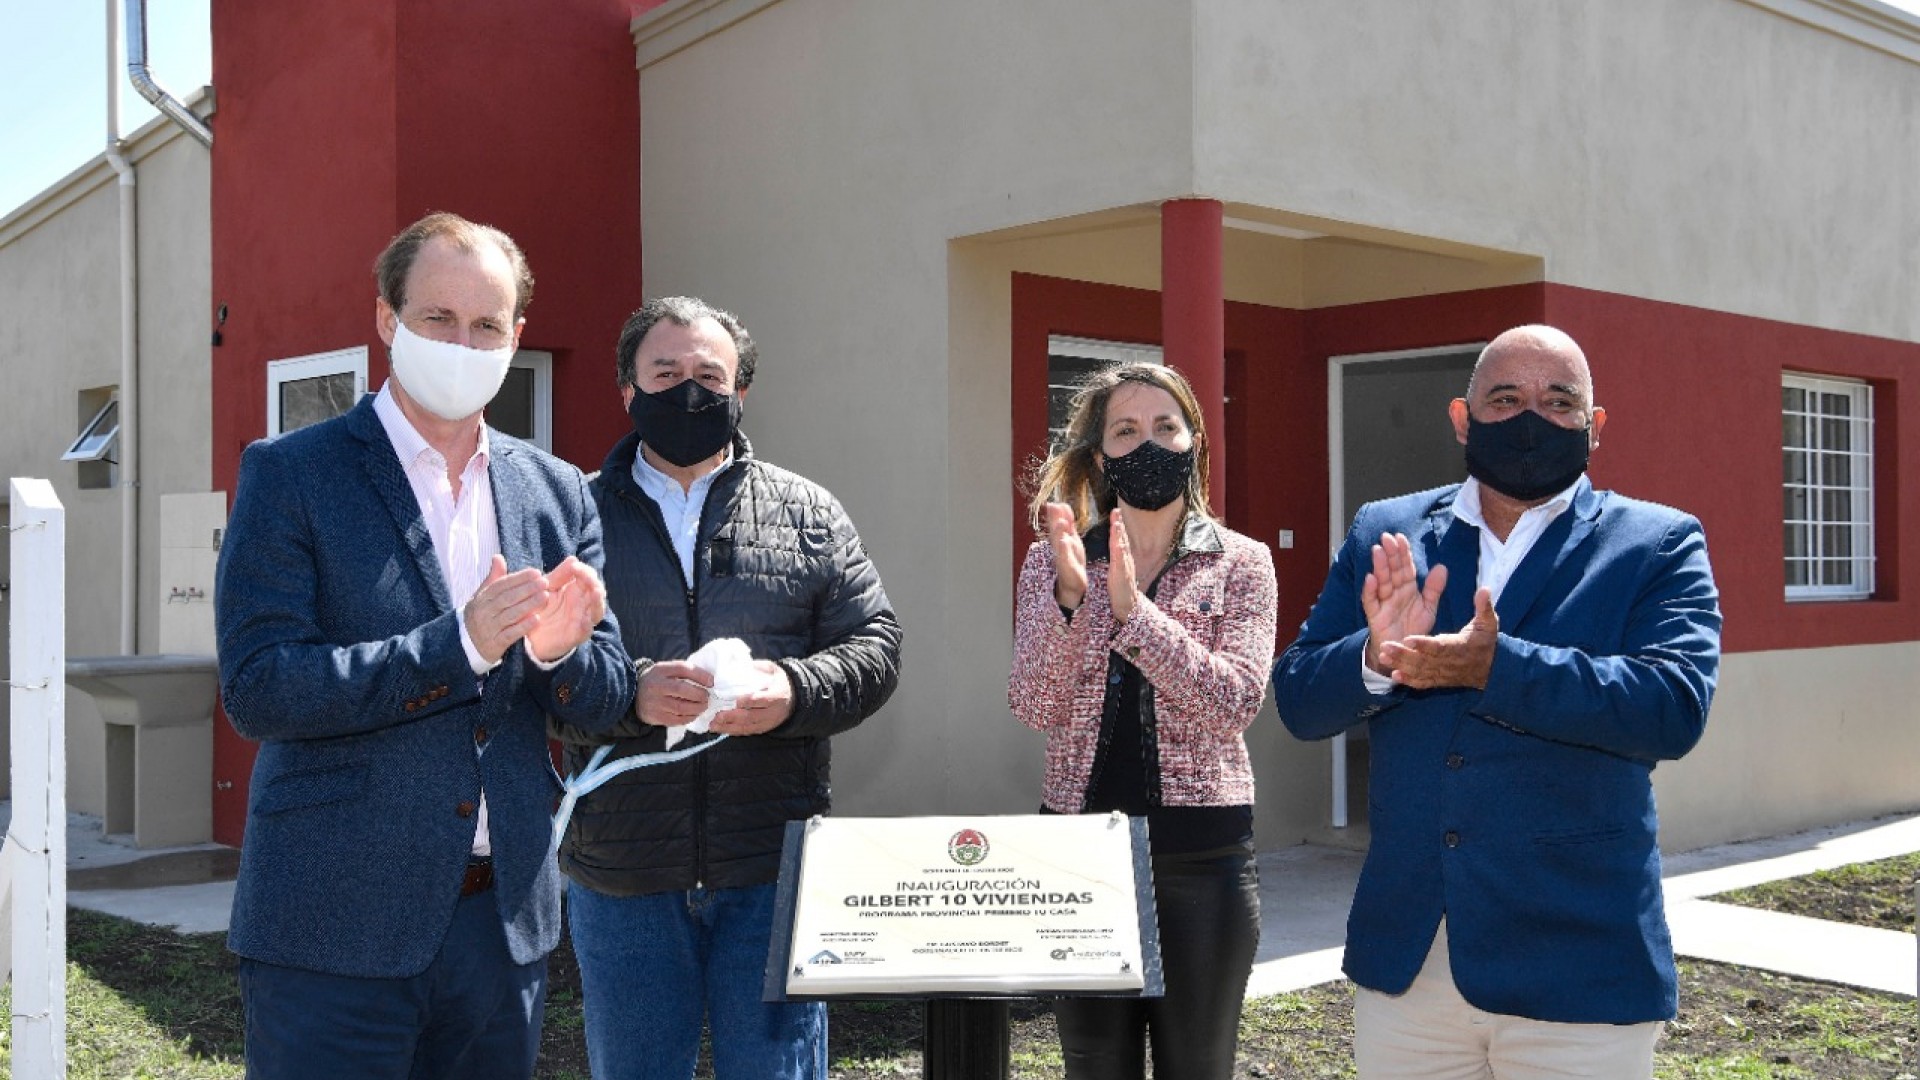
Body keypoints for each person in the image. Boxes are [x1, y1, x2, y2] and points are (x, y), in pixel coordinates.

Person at [214, 212, 638, 1080]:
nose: (462, 343)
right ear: (387, 318)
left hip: (501, 931)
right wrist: (461, 647)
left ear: (516, 335)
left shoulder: (558, 491)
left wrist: (556, 655)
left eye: (486, 325)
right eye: (438, 318)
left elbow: (603, 701)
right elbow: (261, 688)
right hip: (334, 926)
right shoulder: (292, 473)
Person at [1272, 325, 1722, 1077]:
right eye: (1506, 399)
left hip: (1580, 963)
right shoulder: (1387, 531)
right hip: (1411, 964)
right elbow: (1298, 701)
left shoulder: (1658, 543)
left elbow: (1672, 707)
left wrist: (1498, 667)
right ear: (1462, 418)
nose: (1530, 420)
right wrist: (1375, 658)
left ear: (1594, 425)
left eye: (1558, 402)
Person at [551, 296, 902, 1080]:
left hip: (771, 871)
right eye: (665, 373)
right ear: (627, 389)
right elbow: (534, 671)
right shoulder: (571, 516)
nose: (689, 392)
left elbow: (877, 648)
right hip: (625, 874)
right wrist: (629, 694)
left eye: (710, 377)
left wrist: (795, 691)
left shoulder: (809, 512)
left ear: (741, 391)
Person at [1008, 362, 1277, 1079]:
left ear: (1194, 443)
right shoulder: (1053, 563)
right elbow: (1034, 704)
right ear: (1101, 457)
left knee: (1198, 1066)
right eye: (1126, 431)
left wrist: (1137, 616)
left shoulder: (1242, 563)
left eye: (1166, 427)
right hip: (1079, 859)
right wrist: (1071, 602)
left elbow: (1234, 703)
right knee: (1095, 1067)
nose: (1148, 444)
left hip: (1203, 862)